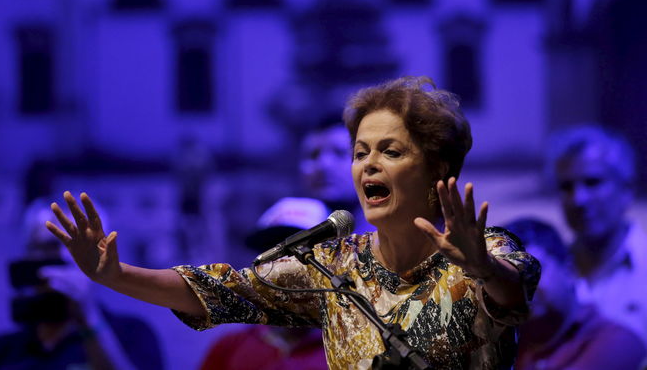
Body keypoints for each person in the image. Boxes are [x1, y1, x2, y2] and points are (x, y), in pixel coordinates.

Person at [46, 76, 539, 369]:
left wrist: (482, 269)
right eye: (360, 152)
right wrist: (114, 275)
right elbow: (223, 289)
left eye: (390, 151)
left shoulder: (487, 249)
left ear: (437, 169)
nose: (367, 164)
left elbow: (511, 293)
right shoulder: (334, 263)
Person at [0, 200, 163, 370]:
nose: (63, 258)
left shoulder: (131, 337)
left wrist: (89, 321)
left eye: (80, 249)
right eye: (47, 248)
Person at [199, 197, 330, 370]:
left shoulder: (356, 348)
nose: (283, 265)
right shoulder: (230, 348)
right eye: (271, 252)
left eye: (302, 252)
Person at [546, 125, 647, 343]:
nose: (578, 199)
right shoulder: (549, 274)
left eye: (593, 182)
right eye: (566, 186)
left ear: (627, 190)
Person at [506, 217, 646, 370]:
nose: (523, 285)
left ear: (568, 270)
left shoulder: (617, 342)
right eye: (509, 277)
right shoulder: (508, 343)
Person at [299, 115, 372, 234]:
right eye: (313, 155)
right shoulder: (288, 225)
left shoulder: (396, 236)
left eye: (340, 153)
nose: (323, 165)